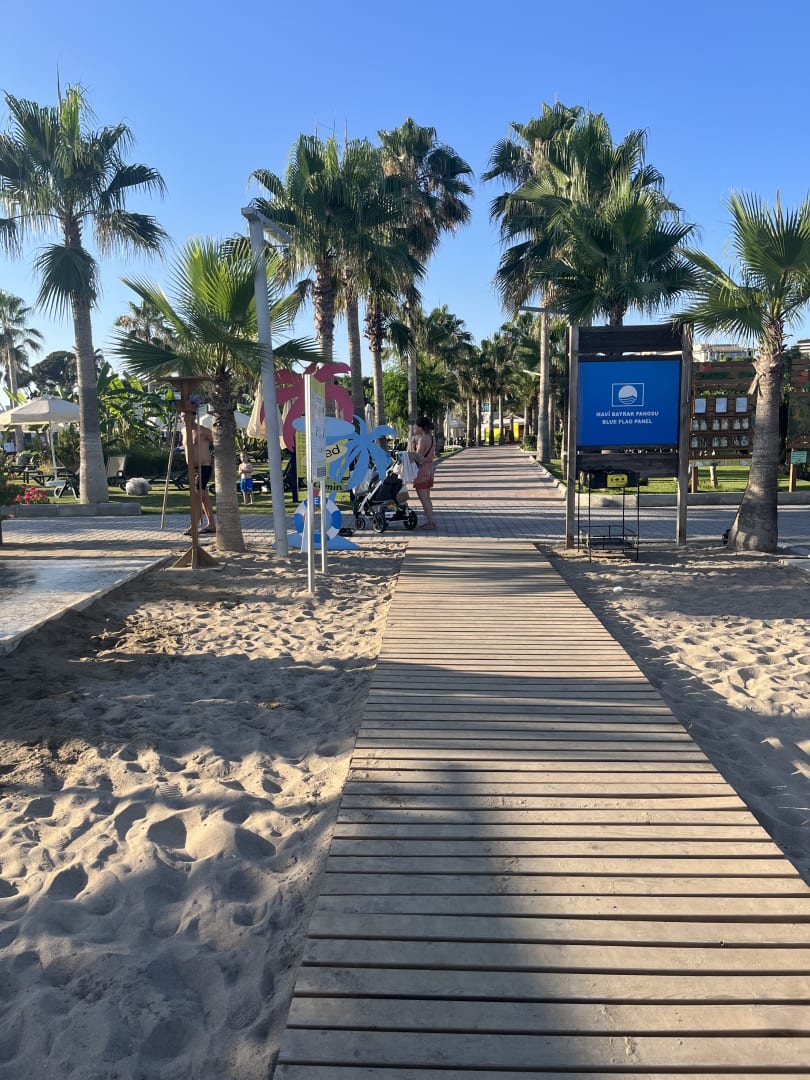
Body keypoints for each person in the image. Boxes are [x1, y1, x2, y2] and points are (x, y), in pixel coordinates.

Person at [182, 421, 216, 534]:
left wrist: (214, 459)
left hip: (204, 466)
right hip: (192, 468)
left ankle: (194, 526)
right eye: (182, 417)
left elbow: (219, 443)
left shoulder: (203, 430)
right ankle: (211, 524)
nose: (184, 419)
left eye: (186, 417)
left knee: (197, 495)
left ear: (193, 416)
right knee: (204, 497)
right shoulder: (183, 431)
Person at [410, 415, 437, 530]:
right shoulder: (432, 438)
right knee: (427, 498)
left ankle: (430, 523)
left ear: (420, 427)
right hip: (429, 468)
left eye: (415, 426)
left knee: (424, 498)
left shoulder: (422, 439)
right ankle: (430, 521)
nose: (414, 428)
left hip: (422, 470)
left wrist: (412, 446)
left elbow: (418, 456)